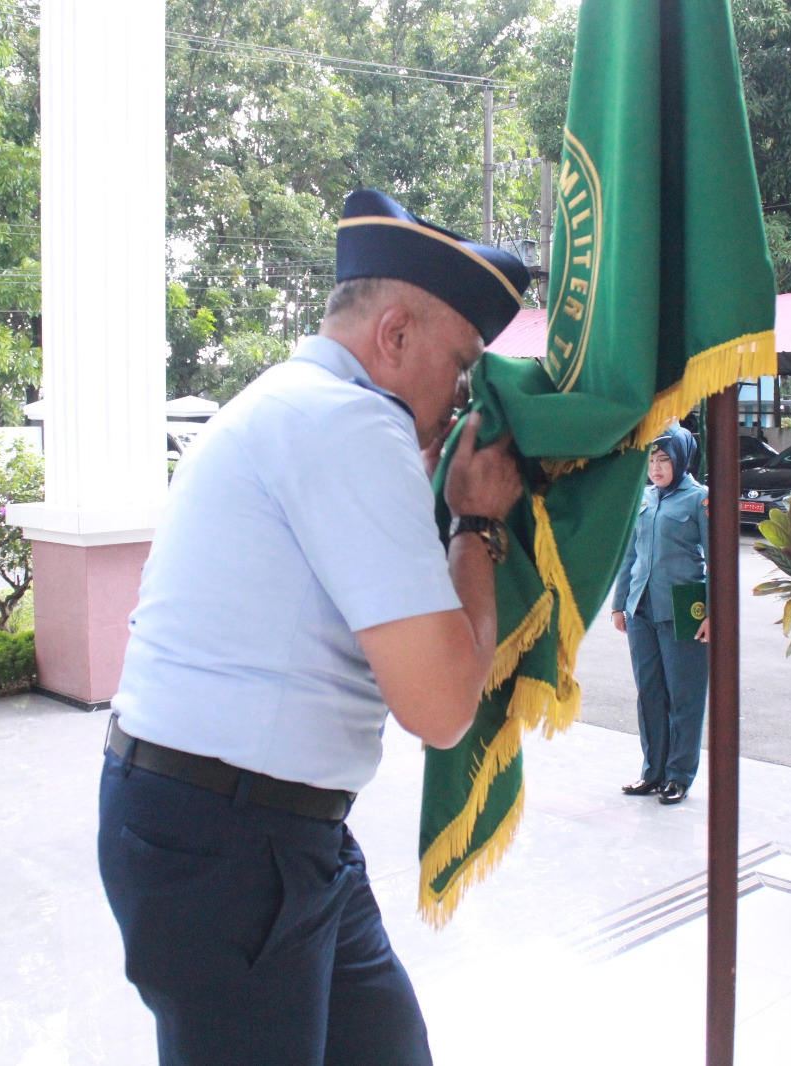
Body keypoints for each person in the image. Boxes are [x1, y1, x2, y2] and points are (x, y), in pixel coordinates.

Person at [99, 188, 531, 1066]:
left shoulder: (297, 402)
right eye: (458, 367)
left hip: (264, 830)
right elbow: (443, 709)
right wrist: (476, 526)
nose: (460, 399)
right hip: (230, 841)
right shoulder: (347, 422)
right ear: (396, 335)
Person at [611, 423, 710, 806]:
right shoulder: (645, 498)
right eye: (651, 460)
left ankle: (678, 775)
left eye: (664, 460)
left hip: (686, 606)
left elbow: (718, 557)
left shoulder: (699, 498)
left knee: (684, 695)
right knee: (649, 692)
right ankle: (652, 773)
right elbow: (629, 554)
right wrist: (620, 603)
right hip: (641, 607)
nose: (656, 468)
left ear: (682, 459)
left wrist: (712, 613)